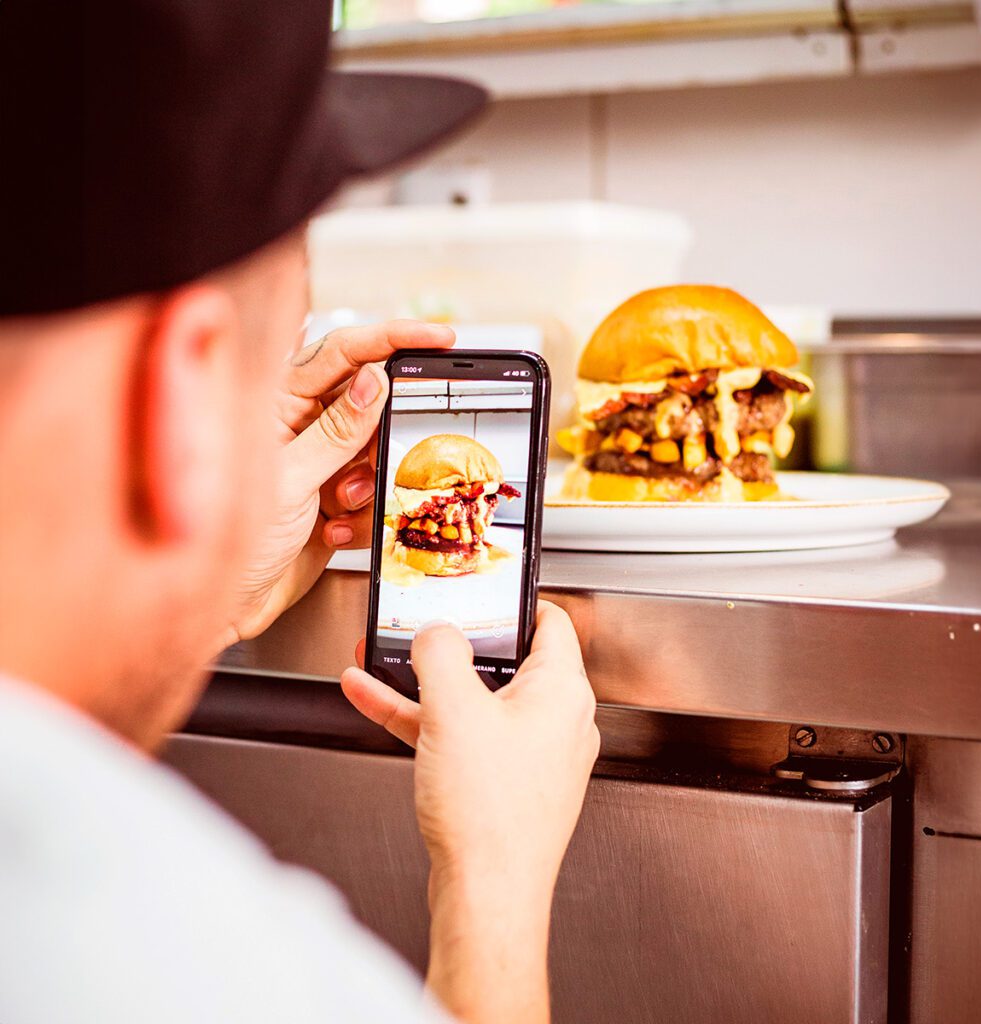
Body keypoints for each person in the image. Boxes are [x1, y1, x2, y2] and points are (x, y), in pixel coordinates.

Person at [0, 2, 600, 1023]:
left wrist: (200, 592)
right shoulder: (179, 959)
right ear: (179, 403)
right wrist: (491, 880)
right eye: (278, 346)